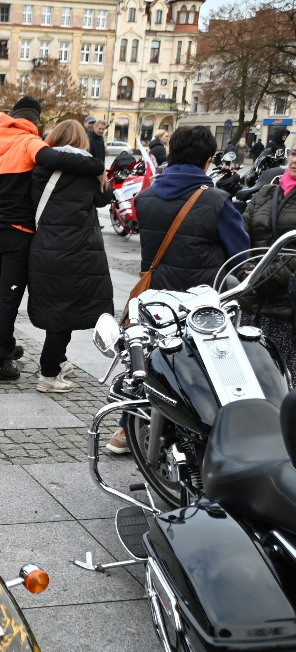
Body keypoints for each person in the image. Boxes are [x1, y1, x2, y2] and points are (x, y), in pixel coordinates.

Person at [107, 125, 250, 452]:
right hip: (199, 302)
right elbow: (240, 254)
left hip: (154, 298)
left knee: (150, 362)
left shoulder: (146, 197)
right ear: (208, 160)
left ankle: (125, 432)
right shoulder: (216, 200)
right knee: (205, 368)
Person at [0, 96, 104, 381]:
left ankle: (6, 347)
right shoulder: (28, 142)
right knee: (9, 300)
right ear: (34, 119)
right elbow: (55, 159)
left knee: (2, 295)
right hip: (17, 234)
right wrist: (96, 167)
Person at [29, 120, 115, 393]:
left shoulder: (41, 168)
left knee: (57, 310)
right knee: (64, 313)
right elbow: (103, 200)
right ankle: (49, 373)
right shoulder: (89, 170)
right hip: (76, 251)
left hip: (45, 247)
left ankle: (56, 361)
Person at [238, 147, 296, 374]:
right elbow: (240, 236)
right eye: (294, 154)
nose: (295, 161)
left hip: (286, 308)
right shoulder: (266, 193)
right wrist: (243, 270)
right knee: (249, 373)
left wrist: (257, 279)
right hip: (253, 305)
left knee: (281, 377)